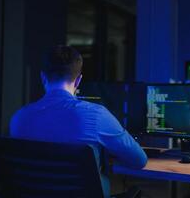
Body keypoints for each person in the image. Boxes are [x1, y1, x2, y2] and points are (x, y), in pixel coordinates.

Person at [10, 45, 147, 196]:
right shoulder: (97, 115)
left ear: (43, 77)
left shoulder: (19, 118)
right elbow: (139, 160)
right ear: (78, 81)